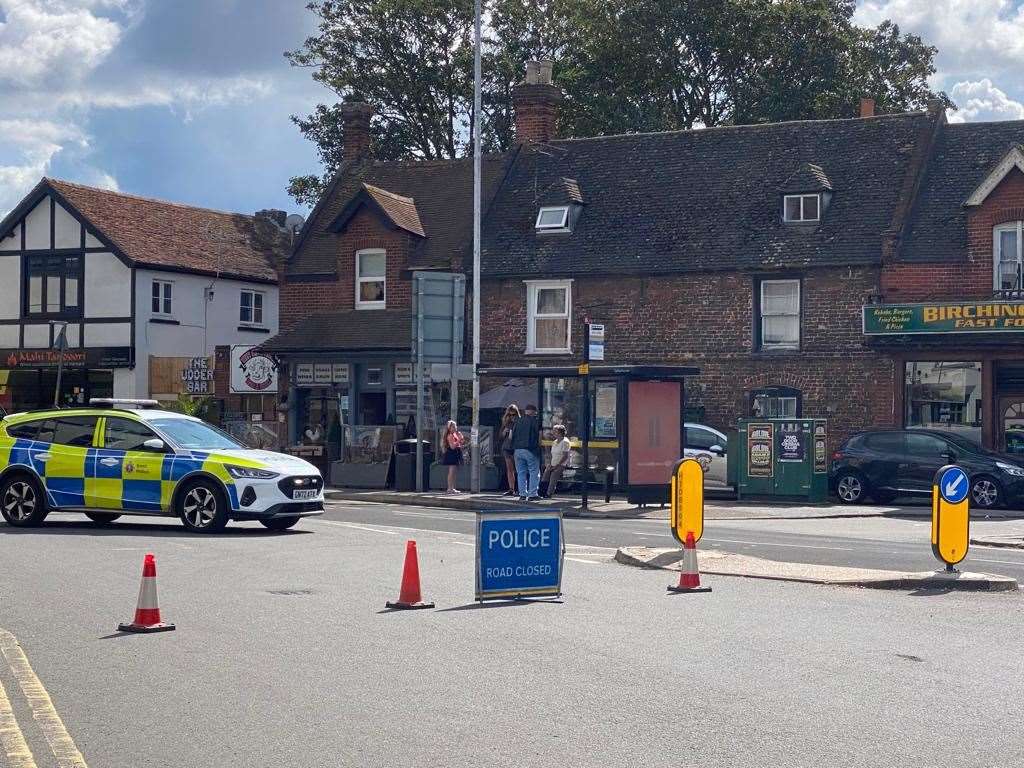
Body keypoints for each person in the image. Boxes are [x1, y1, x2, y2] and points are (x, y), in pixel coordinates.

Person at [510, 403, 541, 501]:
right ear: (534, 412)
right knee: (534, 472)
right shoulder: (535, 421)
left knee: (521, 473)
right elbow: (539, 436)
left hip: (517, 450)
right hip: (530, 449)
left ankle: (522, 494)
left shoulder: (517, 421)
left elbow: (510, 436)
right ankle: (532, 494)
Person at [540, 424, 571, 498]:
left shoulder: (565, 442)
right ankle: (542, 491)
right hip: (553, 462)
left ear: (560, 433)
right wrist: (549, 464)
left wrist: (557, 465)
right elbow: (551, 454)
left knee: (554, 474)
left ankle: (549, 493)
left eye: (555, 431)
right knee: (546, 473)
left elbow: (565, 456)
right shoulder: (554, 442)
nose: (553, 433)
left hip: (561, 464)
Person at [498, 404, 520, 496]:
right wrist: (503, 432)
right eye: (510, 415)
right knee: (509, 469)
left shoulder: (519, 423)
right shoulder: (506, 423)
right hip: (507, 447)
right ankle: (511, 489)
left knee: (519, 469)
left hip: (516, 447)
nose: (512, 417)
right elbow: (500, 437)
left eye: (514, 415)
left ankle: (520, 489)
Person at [441, 420, 465, 494]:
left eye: (455, 426)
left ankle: (452, 487)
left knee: (454, 472)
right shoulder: (450, 435)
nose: (455, 428)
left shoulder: (454, 434)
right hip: (452, 453)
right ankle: (449, 488)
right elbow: (452, 446)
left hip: (455, 453)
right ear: (450, 428)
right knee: (451, 472)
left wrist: (461, 439)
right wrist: (459, 440)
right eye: (453, 426)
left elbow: (459, 443)